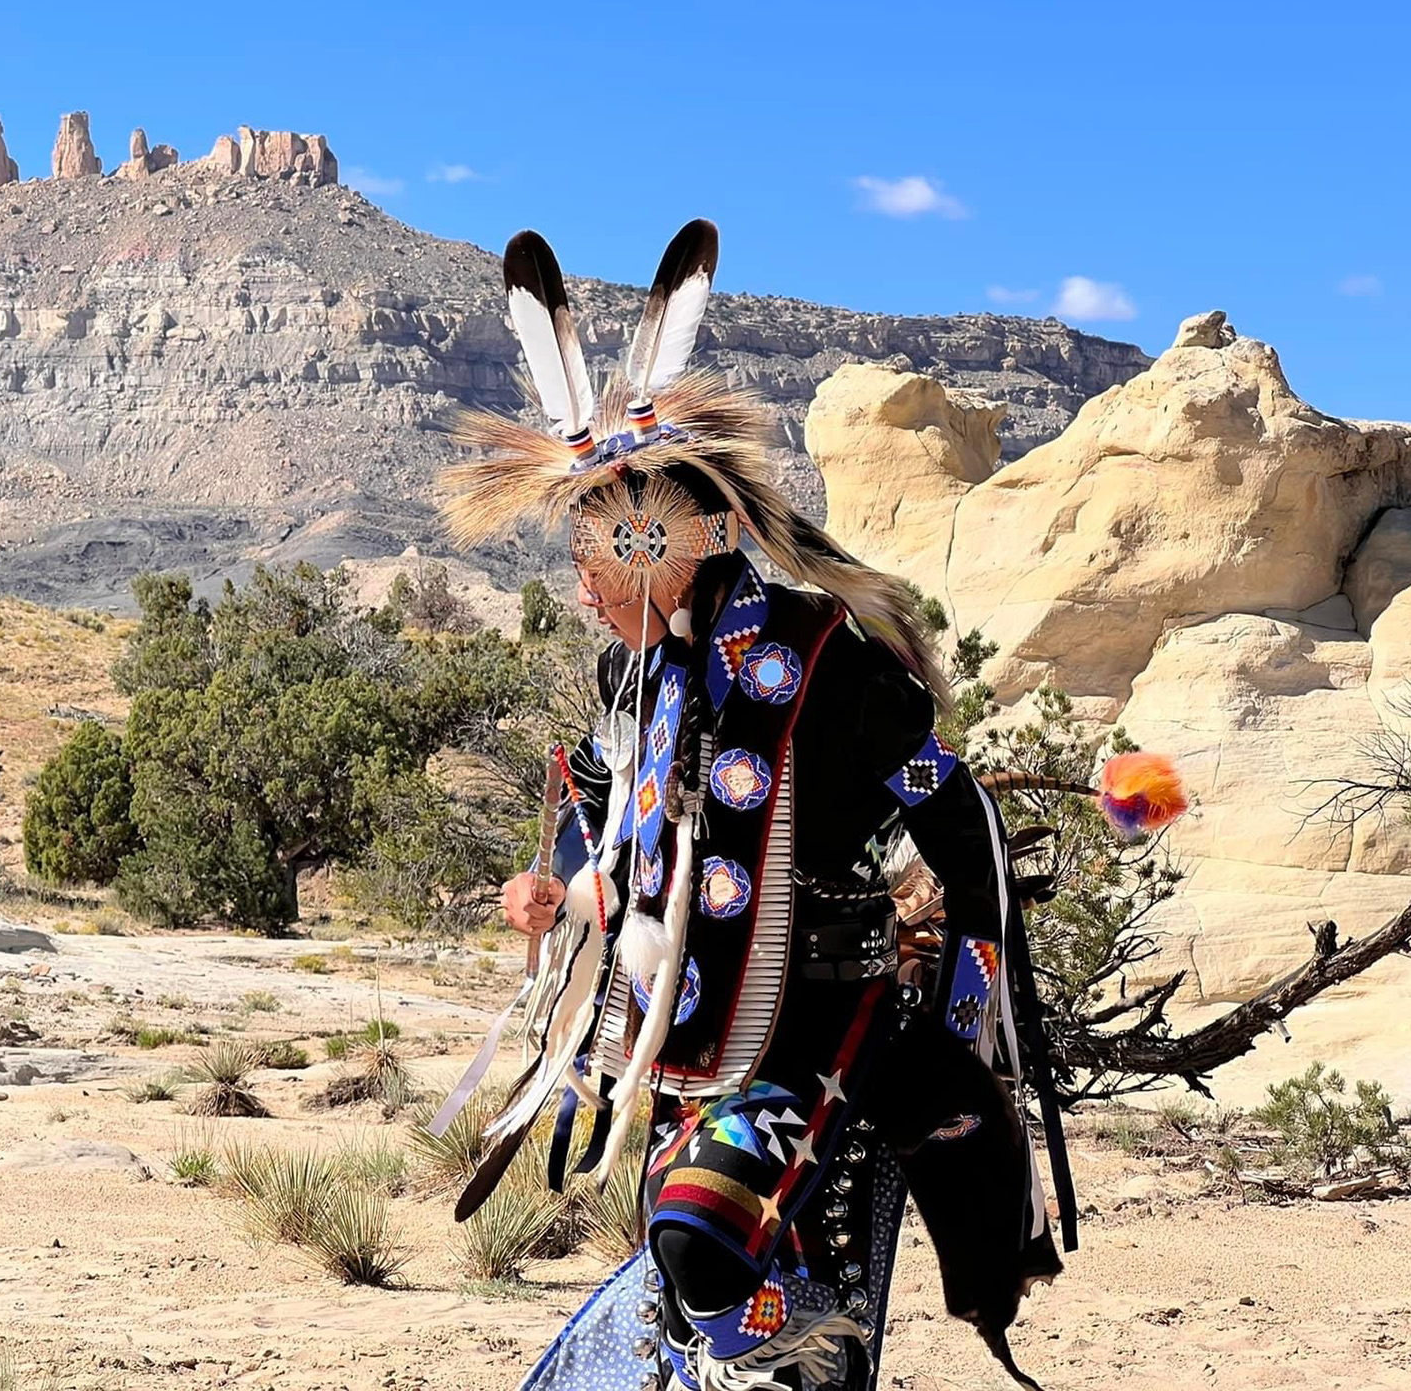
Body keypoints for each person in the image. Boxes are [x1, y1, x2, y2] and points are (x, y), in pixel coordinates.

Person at [436, 221, 1072, 1391]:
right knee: (677, 1260)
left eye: (596, 550)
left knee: (697, 1238)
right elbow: (604, 806)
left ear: (665, 544)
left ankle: (801, 1362)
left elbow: (955, 811)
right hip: (680, 1033)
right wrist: (562, 890)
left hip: (822, 1018)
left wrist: (979, 990)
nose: (580, 582)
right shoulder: (637, 672)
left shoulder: (826, 662)